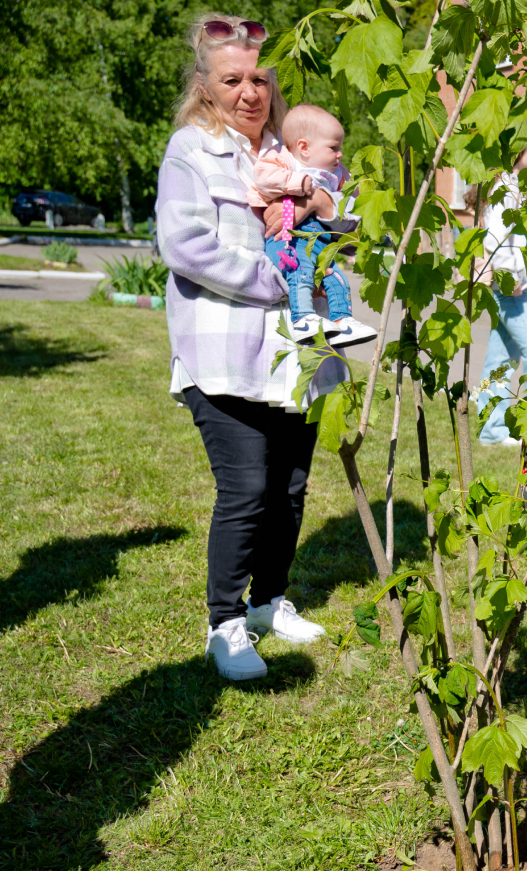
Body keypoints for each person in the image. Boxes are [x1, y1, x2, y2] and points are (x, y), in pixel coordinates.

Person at [158, 14, 345, 681]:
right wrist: (276, 278)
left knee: (289, 488)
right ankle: (225, 623)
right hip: (223, 353)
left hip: (295, 354)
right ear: (205, 85)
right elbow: (184, 246)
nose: (248, 92)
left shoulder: (292, 151)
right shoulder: (191, 150)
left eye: (258, 79)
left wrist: (328, 214)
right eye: (232, 79)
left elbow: (340, 215)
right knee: (244, 488)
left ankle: (269, 601)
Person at [245, 103, 376, 347]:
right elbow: (263, 176)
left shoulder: (336, 173)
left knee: (337, 278)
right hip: (287, 239)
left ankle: (342, 320)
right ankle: (303, 318)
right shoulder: (286, 162)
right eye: (333, 148)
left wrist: (325, 197)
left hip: (318, 244)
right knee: (301, 273)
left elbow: (352, 207)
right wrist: (298, 184)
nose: (340, 154)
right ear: (304, 148)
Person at [477, 149, 527, 447]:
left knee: (498, 361)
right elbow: (496, 236)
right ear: (518, 150)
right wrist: (509, 274)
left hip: (513, 287)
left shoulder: (510, 184)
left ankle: (491, 427)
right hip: (510, 288)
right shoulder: (505, 186)